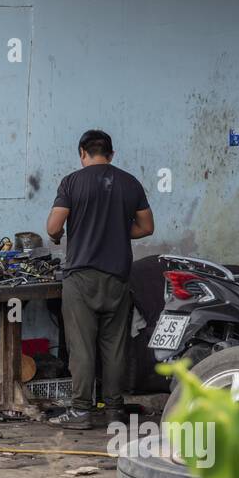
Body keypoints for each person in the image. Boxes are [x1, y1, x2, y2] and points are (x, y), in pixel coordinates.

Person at [45, 129, 154, 429]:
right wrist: (118, 229)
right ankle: (114, 411)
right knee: (115, 346)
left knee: (81, 347)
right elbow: (146, 227)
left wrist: (57, 235)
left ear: (82, 152)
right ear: (111, 154)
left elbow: (54, 226)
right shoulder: (130, 183)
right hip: (118, 277)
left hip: (81, 277)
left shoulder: (72, 182)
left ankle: (80, 411)